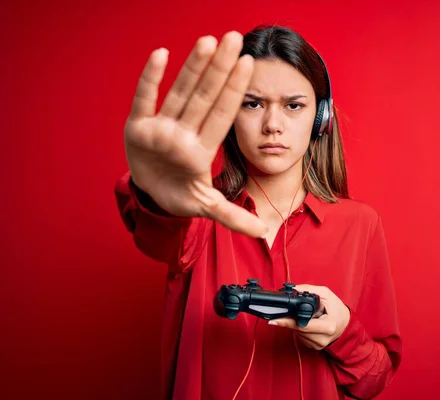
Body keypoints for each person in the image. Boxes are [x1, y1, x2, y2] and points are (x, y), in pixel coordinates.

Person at [114, 24, 402, 400]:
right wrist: (155, 194)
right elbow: (155, 229)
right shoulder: (195, 218)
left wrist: (343, 333)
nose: (272, 125)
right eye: (252, 104)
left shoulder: (361, 224)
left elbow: (373, 380)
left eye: (294, 105)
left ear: (322, 119)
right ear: (230, 117)